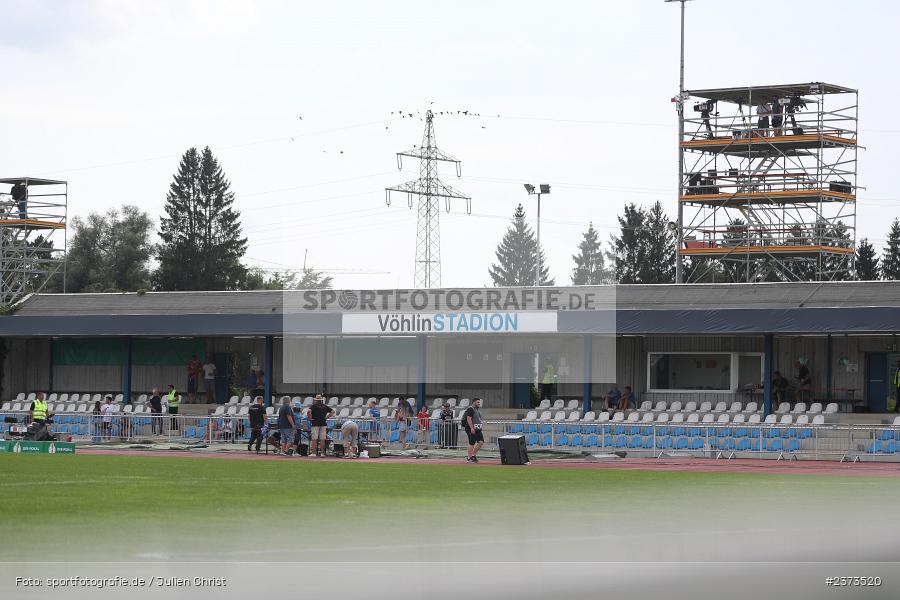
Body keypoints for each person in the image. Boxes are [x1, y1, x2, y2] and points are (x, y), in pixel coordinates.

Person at [462, 397, 484, 463]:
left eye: (479, 402)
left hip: (477, 428)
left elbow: (478, 419)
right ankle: (469, 458)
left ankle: (473, 455)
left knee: (481, 442)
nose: (479, 403)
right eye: (478, 402)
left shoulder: (477, 410)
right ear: (474, 402)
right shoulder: (470, 409)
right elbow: (469, 418)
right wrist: (471, 428)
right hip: (471, 428)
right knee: (472, 443)